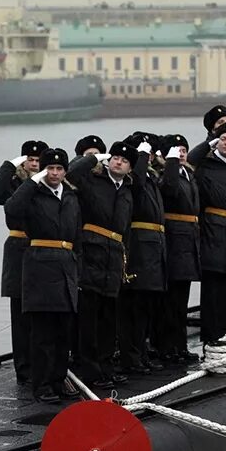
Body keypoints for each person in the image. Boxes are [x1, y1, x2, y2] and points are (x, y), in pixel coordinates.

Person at [5, 148, 81, 403]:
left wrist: (76, 269)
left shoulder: (70, 196)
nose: (55, 173)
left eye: (59, 169)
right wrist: (32, 182)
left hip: (66, 268)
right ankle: (42, 385)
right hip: (40, 267)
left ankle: (58, 381)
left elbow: (76, 235)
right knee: (43, 335)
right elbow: (12, 209)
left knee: (63, 334)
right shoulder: (33, 195)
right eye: (50, 168)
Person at [66, 141, 136, 388]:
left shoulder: (128, 189)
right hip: (91, 254)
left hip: (114, 258)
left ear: (130, 168)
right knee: (89, 320)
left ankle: (107, 368)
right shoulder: (92, 181)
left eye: (124, 160)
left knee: (108, 320)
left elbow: (125, 228)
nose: (118, 162)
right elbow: (71, 173)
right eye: (115, 157)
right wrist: (95, 158)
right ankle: (91, 371)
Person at [0, 140, 48, 386]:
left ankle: (43, 364)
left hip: (45, 251)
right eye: (29, 160)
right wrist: (9, 165)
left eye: (37, 160)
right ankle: (25, 369)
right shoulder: (14, 184)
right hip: (19, 249)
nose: (34, 164)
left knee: (44, 312)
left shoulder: (52, 182)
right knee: (21, 313)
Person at [187, 122, 226, 344]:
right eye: (223, 139)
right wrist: (208, 144)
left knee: (225, 287)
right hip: (212, 229)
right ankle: (210, 335)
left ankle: (222, 332)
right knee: (212, 287)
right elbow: (190, 161)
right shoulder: (207, 165)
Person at [119, 133, 167, 374]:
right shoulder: (134, 178)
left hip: (154, 248)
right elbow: (135, 183)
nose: (148, 157)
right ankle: (132, 356)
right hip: (139, 249)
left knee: (147, 306)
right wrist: (138, 155)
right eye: (144, 154)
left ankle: (142, 351)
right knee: (134, 308)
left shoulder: (150, 176)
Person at [153, 134, 201, 366]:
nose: (181, 154)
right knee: (170, 301)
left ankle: (179, 346)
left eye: (183, 150)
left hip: (188, 240)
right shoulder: (166, 174)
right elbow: (169, 190)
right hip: (174, 241)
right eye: (176, 150)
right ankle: (168, 347)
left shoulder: (187, 174)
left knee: (180, 300)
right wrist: (170, 162)